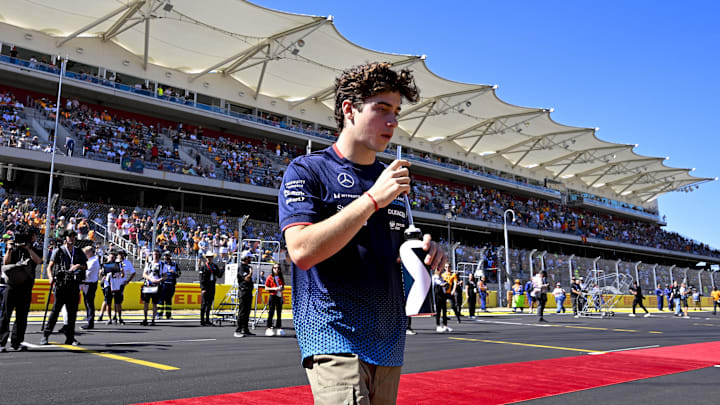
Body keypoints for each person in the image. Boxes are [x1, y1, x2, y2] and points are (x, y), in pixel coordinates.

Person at [279, 62, 446, 404]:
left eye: (397, 112)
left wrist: (427, 253)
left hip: (389, 340)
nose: (393, 122)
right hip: (333, 335)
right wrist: (371, 200)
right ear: (349, 109)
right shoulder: (308, 170)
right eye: (381, 109)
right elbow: (300, 250)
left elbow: (395, 252)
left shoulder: (394, 181)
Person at [41, 230, 87, 345]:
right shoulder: (59, 251)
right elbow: (49, 267)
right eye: (69, 237)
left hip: (73, 284)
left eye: (73, 237)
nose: (72, 239)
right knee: (55, 311)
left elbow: (85, 266)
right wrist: (50, 277)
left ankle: (70, 337)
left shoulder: (78, 251)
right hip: (61, 285)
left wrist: (78, 266)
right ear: (65, 238)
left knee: (72, 313)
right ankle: (46, 334)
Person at [0, 228, 42, 352]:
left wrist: (28, 248)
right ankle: (1, 342)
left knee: (22, 317)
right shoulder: (13, 249)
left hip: (26, 287)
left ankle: (16, 342)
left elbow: (38, 261)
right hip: (12, 286)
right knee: (5, 315)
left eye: (29, 236)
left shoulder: (35, 249)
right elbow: (5, 262)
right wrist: (9, 249)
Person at [99, 248, 124, 325]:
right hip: (108, 285)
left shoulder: (119, 265)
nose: (111, 259)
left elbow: (123, 275)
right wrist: (102, 275)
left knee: (118, 302)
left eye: (113, 257)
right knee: (108, 302)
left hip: (116, 285)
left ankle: (119, 318)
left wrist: (121, 272)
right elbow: (100, 275)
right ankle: (109, 318)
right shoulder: (104, 265)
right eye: (110, 257)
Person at [140, 250, 165, 326]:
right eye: (154, 254)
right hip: (148, 285)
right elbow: (144, 274)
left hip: (156, 286)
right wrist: (150, 279)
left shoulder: (162, 265)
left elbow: (165, 276)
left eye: (157, 254)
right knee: (146, 303)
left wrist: (159, 280)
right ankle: (145, 319)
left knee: (154, 303)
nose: (155, 256)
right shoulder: (149, 264)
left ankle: (153, 320)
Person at [234, 252, 254, 337]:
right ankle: (238, 330)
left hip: (248, 291)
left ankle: (245, 329)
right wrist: (251, 272)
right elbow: (246, 278)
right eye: (249, 258)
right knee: (242, 311)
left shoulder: (247, 267)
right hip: (243, 291)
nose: (251, 259)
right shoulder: (241, 267)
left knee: (247, 311)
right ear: (246, 258)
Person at [80, 246, 100, 330]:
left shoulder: (94, 261)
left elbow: (87, 272)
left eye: (86, 252)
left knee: (89, 303)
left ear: (91, 252)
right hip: (86, 283)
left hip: (90, 283)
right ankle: (89, 319)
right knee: (87, 302)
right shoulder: (89, 261)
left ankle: (90, 322)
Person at [199, 251, 221, 326]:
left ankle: (207, 320)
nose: (209, 258)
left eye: (211, 257)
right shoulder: (203, 266)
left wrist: (223, 269)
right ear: (206, 258)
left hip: (212, 286)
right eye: (208, 257)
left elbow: (219, 275)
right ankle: (202, 320)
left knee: (209, 304)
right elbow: (201, 278)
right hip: (206, 287)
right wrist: (203, 288)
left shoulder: (215, 266)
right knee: (203, 304)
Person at [264, 263, 286, 336]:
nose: (277, 270)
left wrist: (281, 289)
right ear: (273, 269)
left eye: (278, 268)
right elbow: (266, 288)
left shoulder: (280, 277)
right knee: (271, 312)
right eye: (275, 268)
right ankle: (269, 327)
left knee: (279, 313)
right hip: (273, 295)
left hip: (279, 296)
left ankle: (279, 327)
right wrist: (274, 288)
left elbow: (283, 287)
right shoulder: (270, 277)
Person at [158, 251, 180, 319]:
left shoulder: (174, 264)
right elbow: (158, 273)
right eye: (165, 255)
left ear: (170, 256)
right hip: (163, 284)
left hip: (171, 285)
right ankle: (159, 315)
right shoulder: (161, 264)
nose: (166, 257)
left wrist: (174, 272)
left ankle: (168, 315)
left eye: (168, 255)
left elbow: (179, 273)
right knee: (161, 300)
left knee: (169, 300)